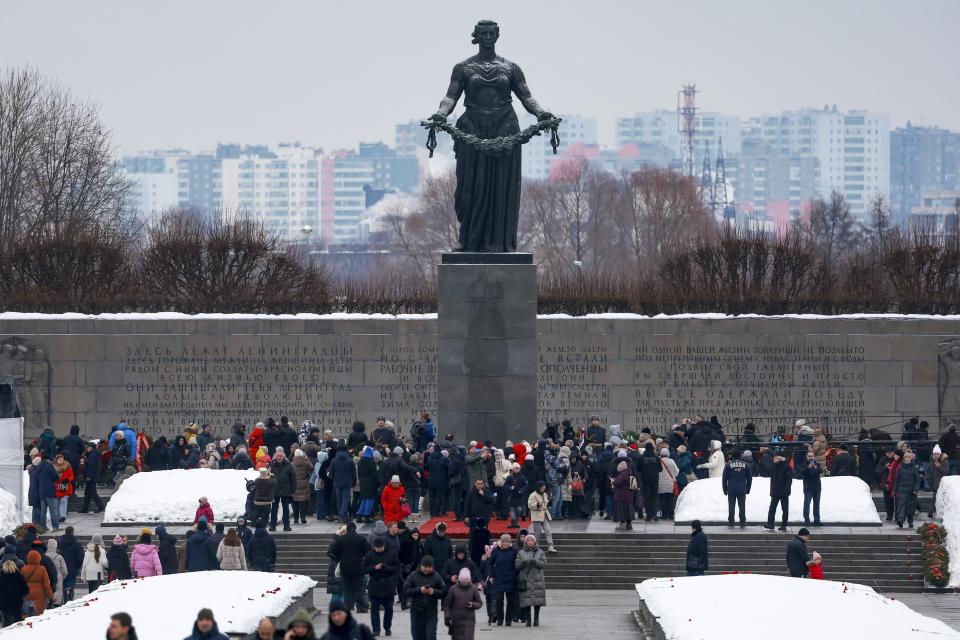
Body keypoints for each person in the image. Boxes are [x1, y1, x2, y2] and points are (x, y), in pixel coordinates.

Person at [328, 521, 371, 612]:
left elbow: (331, 552)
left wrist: (338, 559)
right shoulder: (361, 539)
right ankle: (360, 607)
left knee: (346, 588)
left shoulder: (341, 540)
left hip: (345, 567)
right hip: (358, 567)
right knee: (358, 588)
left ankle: (348, 606)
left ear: (347, 529)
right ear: (355, 529)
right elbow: (369, 552)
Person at [403, 556, 446, 640]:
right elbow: (405, 590)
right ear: (421, 565)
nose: (427, 569)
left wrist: (433, 592)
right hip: (416, 613)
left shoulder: (436, 576)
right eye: (425, 567)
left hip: (431, 613)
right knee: (418, 637)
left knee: (431, 636)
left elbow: (444, 591)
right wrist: (419, 590)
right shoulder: (413, 575)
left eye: (429, 567)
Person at [363, 537, 400, 636]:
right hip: (375, 585)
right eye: (378, 548)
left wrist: (388, 568)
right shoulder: (369, 555)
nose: (380, 549)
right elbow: (364, 568)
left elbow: (397, 567)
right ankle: (376, 629)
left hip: (388, 585)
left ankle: (387, 627)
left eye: (381, 547)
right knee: (374, 609)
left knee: (389, 609)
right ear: (374, 547)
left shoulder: (391, 554)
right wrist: (374, 567)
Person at [486, 535, 518, 627]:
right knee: (499, 600)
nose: (505, 543)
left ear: (510, 542)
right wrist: (491, 575)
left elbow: (517, 564)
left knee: (510, 601)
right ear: (501, 542)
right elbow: (490, 564)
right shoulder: (496, 551)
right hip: (499, 578)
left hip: (511, 579)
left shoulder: (514, 551)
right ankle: (500, 619)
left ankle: (508, 619)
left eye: (507, 542)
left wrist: (516, 575)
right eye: (503, 542)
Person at [443, 568, 483, 640]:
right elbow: (447, 605)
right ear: (459, 580)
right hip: (456, 621)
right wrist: (447, 617)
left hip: (469, 621)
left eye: (467, 581)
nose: (465, 583)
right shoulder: (453, 589)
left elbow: (480, 603)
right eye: (463, 581)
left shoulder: (473, 588)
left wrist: (473, 604)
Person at [515, 534, 546, 627]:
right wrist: (523, 562)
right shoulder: (521, 552)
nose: (530, 542)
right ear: (525, 542)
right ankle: (528, 619)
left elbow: (544, 564)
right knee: (526, 601)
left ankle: (536, 619)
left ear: (535, 542)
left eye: (532, 540)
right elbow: (517, 565)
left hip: (538, 580)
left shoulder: (540, 552)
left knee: (537, 601)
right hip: (526, 579)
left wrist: (535, 561)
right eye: (528, 540)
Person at [721, 452, 752, 527]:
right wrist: (748, 489)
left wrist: (724, 489)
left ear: (732, 456)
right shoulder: (746, 465)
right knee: (742, 507)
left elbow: (724, 478)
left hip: (731, 489)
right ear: (740, 456)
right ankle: (742, 522)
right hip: (742, 489)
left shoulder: (728, 465)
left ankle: (731, 522)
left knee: (731, 507)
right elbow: (749, 478)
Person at [329, 444, 358, 522]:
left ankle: (341, 515)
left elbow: (331, 473)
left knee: (339, 499)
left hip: (337, 482)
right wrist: (354, 482)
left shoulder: (334, 460)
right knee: (345, 499)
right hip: (347, 482)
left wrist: (333, 477)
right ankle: (343, 515)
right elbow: (353, 472)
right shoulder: (349, 460)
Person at [764, 453, 792, 531]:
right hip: (775, 491)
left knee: (785, 509)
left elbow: (789, 480)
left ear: (780, 457)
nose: (774, 459)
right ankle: (770, 523)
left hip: (784, 492)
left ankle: (784, 525)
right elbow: (769, 470)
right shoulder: (774, 466)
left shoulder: (786, 466)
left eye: (775, 457)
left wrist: (786, 490)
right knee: (772, 508)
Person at [527, 482, 557, 553]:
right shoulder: (533, 495)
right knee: (537, 532)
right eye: (542, 488)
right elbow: (530, 505)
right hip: (537, 515)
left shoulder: (544, 494)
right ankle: (535, 546)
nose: (543, 489)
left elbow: (546, 503)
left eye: (544, 488)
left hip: (544, 515)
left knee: (548, 530)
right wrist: (537, 504)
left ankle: (550, 546)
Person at [894, 450, 921, 528]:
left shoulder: (914, 468)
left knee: (910, 507)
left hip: (911, 491)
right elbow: (897, 479)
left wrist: (915, 489)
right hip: (901, 490)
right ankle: (900, 521)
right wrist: (895, 489)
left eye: (909, 457)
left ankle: (910, 522)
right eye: (906, 457)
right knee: (901, 506)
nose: (907, 458)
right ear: (904, 458)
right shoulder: (900, 467)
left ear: (911, 458)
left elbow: (917, 480)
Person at [271, 449, 296, 532]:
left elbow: (293, 479)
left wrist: (293, 491)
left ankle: (286, 525)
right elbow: (269, 478)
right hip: (275, 491)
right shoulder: (272, 466)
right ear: (276, 457)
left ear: (284, 457)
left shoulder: (289, 465)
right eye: (278, 456)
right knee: (274, 509)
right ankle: (273, 525)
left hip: (286, 490)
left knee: (286, 509)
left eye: (281, 456)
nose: (279, 457)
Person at [21, 550, 53, 615]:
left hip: (27, 593)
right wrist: (51, 596)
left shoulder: (23, 569)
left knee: (27, 614)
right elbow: (46, 585)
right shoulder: (42, 569)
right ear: (38, 558)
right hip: (40, 594)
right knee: (38, 614)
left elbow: (20, 583)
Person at [57, 525, 84, 602]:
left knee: (63, 585)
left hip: (62, 569)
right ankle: (70, 598)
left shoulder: (59, 543)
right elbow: (80, 558)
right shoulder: (77, 544)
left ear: (65, 532)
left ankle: (65, 599)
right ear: (73, 533)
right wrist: (77, 566)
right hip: (73, 569)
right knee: (71, 585)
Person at [78, 441, 105, 513]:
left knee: (92, 492)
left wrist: (88, 476)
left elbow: (91, 466)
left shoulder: (92, 455)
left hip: (91, 477)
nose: (86, 449)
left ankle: (100, 506)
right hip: (93, 476)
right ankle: (85, 508)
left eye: (87, 447)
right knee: (87, 493)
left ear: (91, 448)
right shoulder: (92, 454)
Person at [0, 560, 28, 627]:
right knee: (17, 620)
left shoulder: (1, 577)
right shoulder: (19, 576)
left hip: (4, 604)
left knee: (7, 622)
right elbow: (26, 590)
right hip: (17, 602)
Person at [291, 449, 314, 525]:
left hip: (294, 484)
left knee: (295, 502)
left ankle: (296, 519)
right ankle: (303, 517)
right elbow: (312, 468)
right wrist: (307, 459)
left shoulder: (292, 463)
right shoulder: (306, 462)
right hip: (304, 483)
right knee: (303, 502)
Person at [657, 449, 680, 520]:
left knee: (662, 500)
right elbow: (677, 472)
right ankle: (670, 515)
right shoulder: (671, 461)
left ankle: (664, 515)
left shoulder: (658, 461)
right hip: (670, 484)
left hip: (660, 484)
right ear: (668, 454)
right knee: (670, 500)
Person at [800, 450, 822, 527]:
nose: (811, 458)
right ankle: (807, 521)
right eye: (809, 456)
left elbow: (821, 470)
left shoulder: (817, 464)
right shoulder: (804, 465)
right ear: (806, 457)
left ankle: (817, 520)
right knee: (807, 505)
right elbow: (802, 472)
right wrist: (808, 468)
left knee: (816, 505)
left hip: (817, 488)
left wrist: (816, 467)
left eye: (812, 456)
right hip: (808, 488)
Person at [612, 461, 634, 531]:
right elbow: (633, 485)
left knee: (622, 511)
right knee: (628, 511)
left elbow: (618, 482)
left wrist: (613, 481)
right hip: (629, 496)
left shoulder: (623, 474)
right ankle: (629, 525)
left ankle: (622, 525)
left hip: (622, 496)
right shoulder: (630, 473)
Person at [44, 537, 68, 605]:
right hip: (58, 577)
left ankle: (48, 604)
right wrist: (61, 578)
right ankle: (56, 605)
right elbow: (65, 571)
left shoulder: (43, 556)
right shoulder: (59, 557)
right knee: (58, 592)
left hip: (47, 577)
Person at [929, 446, 950, 518]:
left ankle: (931, 512)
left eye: (937, 454)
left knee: (937, 498)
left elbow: (946, 472)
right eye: (934, 454)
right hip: (934, 482)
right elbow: (930, 471)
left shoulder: (945, 461)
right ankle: (933, 512)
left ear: (940, 454)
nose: (936, 455)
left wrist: (939, 466)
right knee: (935, 498)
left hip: (942, 484)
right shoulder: (932, 461)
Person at [876, 449, 897, 521]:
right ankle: (889, 514)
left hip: (895, 482)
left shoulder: (896, 458)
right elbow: (878, 470)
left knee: (897, 499)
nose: (889, 454)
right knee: (887, 500)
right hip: (886, 482)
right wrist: (885, 467)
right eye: (888, 453)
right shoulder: (883, 459)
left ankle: (898, 514)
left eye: (891, 453)